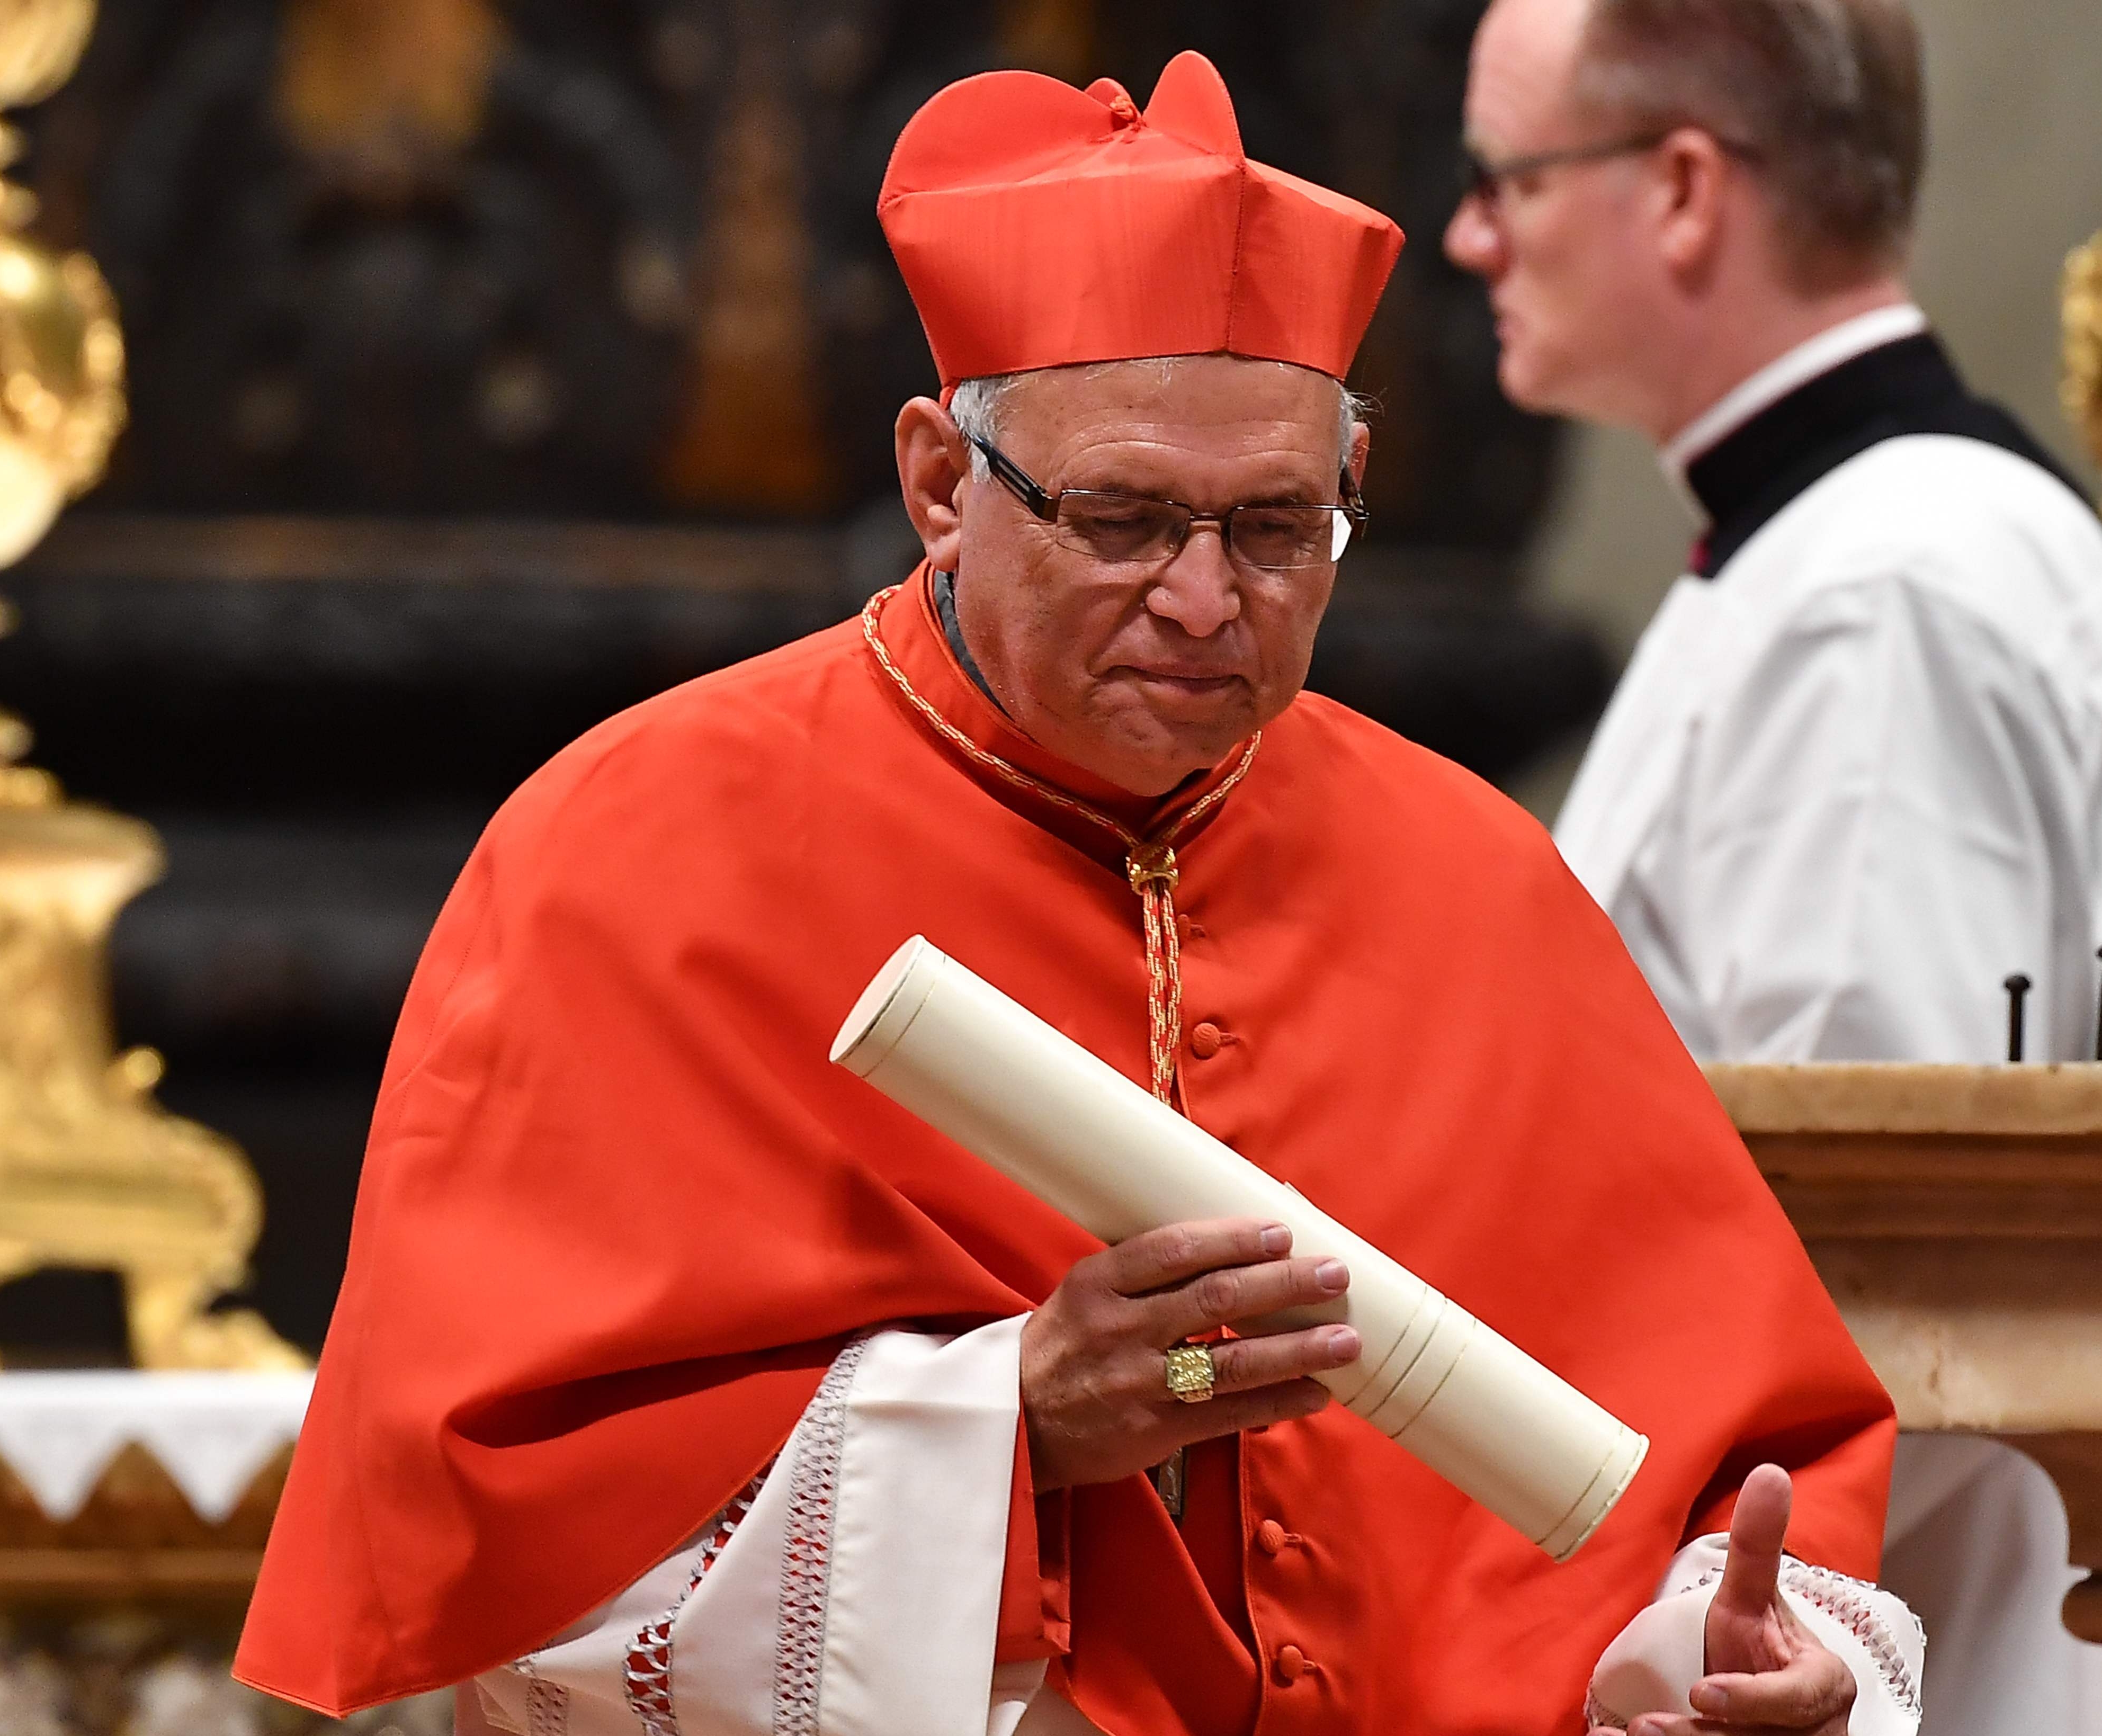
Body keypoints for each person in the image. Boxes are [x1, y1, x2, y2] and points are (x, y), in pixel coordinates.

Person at [235, 52, 1923, 1736]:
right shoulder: (630, 851)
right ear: (937, 487)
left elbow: (1734, 1464)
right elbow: (501, 1554)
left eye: (1277, 528)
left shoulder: (1470, 871)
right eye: (1120, 517)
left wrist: (1728, 1645)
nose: (1204, 600)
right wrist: (1006, 1429)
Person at [1446, 2, 2102, 1733]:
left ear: (1685, 190)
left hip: (1862, 1650)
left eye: (1507, 177)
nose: (1470, 233)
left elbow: (1862, 1240)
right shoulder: (1849, 549)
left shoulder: (1881, 592)